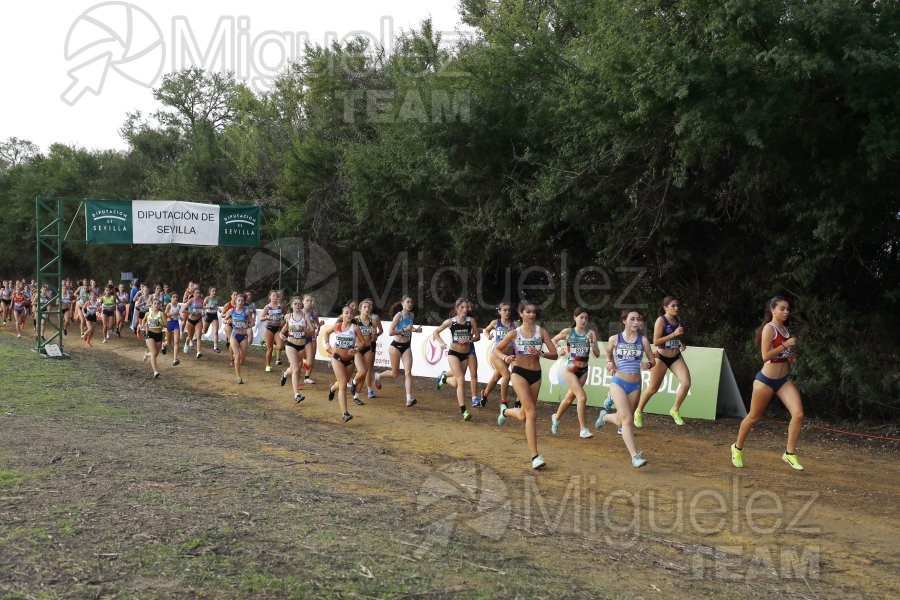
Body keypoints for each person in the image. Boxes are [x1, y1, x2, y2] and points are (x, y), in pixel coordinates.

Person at [731, 296, 805, 471]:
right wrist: (785, 346)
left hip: (783, 380)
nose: (786, 311)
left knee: (798, 414)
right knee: (754, 417)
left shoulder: (785, 330)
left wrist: (790, 356)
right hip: (765, 380)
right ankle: (737, 447)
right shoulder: (769, 329)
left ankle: (789, 453)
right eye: (782, 308)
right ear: (772, 310)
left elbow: (783, 356)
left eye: (788, 309)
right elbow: (765, 356)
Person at [495, 301, 558, 469]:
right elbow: (496, 349)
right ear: (521, 314)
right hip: (519, 373)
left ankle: (506, 411)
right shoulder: (514, 333)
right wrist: (505, 358)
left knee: (524, 415)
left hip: (536, 375)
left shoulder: (541, 332)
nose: (531, 315)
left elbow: (555, 354)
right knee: (532, 413)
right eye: (528, 312)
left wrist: (541, 353)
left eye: (533, 312)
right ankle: (535, 456)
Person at [594, 310, 655, 468]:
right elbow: (608, 352)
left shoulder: (643, 341)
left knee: (621, 421)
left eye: (639, 319)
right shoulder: (614, 339)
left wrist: (648, 364)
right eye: (632, 319)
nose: (636, 322)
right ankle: (635, 456)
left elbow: (652, 360)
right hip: (618, 382)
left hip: (635, 385)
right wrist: (610, 362)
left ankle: (605, 417)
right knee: (628, 420)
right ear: (624, 321)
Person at [634, 297, 692, 427]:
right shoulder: (661, 320)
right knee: (653, 388)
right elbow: (656, 341)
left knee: (686, 383)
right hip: (661, 357)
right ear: (666, 307)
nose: (677, 308)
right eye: (673, 306)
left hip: (676, 357)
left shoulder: (678, 320)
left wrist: (681, 342)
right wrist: (674, 335)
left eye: (678, 305)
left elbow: (676, 336)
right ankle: (638, 411)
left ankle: (675, 409)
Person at [550, 307, 601, 439]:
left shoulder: (591, 333)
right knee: (582, 397)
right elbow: (553, 340)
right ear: (575, 318)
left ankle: (556, 418)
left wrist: (593, 342)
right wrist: (559, 348)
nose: (584, 320)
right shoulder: (568, 332)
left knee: (568, 400)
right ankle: (583, 429)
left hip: (583, 370)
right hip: (570, 368)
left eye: (586, 318)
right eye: (581, 317)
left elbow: (597, 354)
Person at [433, 298, 481, 421]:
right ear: (457, 309)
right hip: (453, 353)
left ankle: (444, 377)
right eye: (462, 307)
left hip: (465, 355)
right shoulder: (450, 322)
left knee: (456, 382)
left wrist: (469, 340)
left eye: (466, 307)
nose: (465, 310)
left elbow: (477, 337)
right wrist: (441, 342)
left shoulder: (471, 321)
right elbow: (436, 332)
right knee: (461, 379)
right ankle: (464, 410)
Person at [375, 296, 423, 407]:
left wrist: (416, 330)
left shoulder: (411, 315)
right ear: (402, 304)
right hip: (395, 347)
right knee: (394, 373)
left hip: (406, 346)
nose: (410, 304)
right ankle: (378, 376)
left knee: (408, 372)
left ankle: (409, 399)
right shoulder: (398, 316)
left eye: (411, 302)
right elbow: (390, 332)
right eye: (408, 302)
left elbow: (409, 328)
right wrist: (404, 330)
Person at [323, 305, 366, 423]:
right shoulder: (337, 326)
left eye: (351, 313)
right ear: (342, 315)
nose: (349, 315)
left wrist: (356, 350)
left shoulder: (355, 328)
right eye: (346, 313)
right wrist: (327, 344)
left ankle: (332, 388)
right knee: (343, 386)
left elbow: (363, 343)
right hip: (337, 358)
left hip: (350, 360)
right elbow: (326, 333)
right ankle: (345, 413)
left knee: (342, 383)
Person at [480, 302, 519, 409]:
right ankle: (503, 402)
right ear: (499, 312)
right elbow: (486, 330)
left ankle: (485, 394)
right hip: (497, 355)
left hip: (510, 356)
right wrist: (488, 336)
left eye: (509, 310)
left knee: (496, 378)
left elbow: (521, 335)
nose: (507, 312)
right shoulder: (495, 322)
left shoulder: (515, 324)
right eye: (504, 310)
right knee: (507, 375)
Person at [278, 296, 308, 403]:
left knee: (295, 367)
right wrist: (281, 334)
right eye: (295, 304)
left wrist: (304, 329)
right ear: (291, 306)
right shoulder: (288, 316)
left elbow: (312, 332)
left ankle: (285, 374)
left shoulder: (305, 316)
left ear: (302, 305)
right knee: (296, 368)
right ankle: (297, 395)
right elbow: (285, 327)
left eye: (299, 304)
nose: (297, 306)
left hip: (302, 346)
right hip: (290, 344)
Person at [350, 298, 378, 405]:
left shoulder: (373, 321)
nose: (367, 309)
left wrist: (374, 334)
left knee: (365, 373)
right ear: (360, 309)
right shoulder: (356, 320)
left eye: (369, 307)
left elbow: (374, 339)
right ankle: (354, 381)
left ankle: (356, 396)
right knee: (361, 371)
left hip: (368, 348)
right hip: (357, 349)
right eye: (365, 307)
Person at [223, 293, 255, 384]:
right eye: (239, 300)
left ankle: (239, 361)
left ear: (244, 302)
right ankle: (238, 377)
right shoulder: (231, 311)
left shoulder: (246, 311)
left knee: (243, 358)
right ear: (236, 301)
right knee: (237, 355)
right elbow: (224, 320)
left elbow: (253, 323)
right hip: (234, 335)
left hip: (244, 336)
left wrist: (248, 325)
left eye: (242, 301)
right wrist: (227, 320)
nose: (240, 302)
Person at [140, 298, 166, 379]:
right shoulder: (148, 314)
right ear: (151, 305)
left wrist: (160, 323)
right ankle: (155, 371)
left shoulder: (161, 314)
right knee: (154, 353)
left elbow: (166, 325)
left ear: (159, 305)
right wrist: (142, 325)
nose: (156, 305)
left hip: (159, 335)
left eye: (158, 304)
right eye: (154, 303)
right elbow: (143, 321)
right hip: (150, 334)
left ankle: (147, 354)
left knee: (155, 354)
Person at [259, 290, 285, 373]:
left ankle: (275, 347)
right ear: (270, 297)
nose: (275, 297)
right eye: (273, 296)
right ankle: (268, 365)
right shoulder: (267, 307)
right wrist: (266, 317)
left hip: (277, 329)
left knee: (280, 346)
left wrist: (283, 322)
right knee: (269, 349)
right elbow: (261, 318)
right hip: (269, 329)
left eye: (276, 296)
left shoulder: (281, 306)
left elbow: (287, 316)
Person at [301, 294, 323, 384]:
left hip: (312, 338)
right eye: (307, 301)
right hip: (300, 339)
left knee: (311, 360)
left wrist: (318, 330)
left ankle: (307, 377)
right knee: (302, 358)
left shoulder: (314, 313)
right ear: (303, 302)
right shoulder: (299, 312)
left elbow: (317, 325)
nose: (309, 303)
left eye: (311, 301)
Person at [182, 288, 205, 359]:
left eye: (199, 293)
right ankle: (186, 343)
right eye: (196, 293)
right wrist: (192, 312)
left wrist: (203, 312)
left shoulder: (201, 301)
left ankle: (198, 352)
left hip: (198, 320)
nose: (198, 294)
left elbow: (203, 309)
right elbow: (183, 310)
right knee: (190, 337)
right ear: (193, 294)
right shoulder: (191, 301)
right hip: (190, 320)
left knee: (198, 336)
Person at [202, 287, 222, 354]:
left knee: (216, 332)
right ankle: (195, 335)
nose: (214, 292)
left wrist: (218, 309)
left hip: (214, 316)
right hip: (208, 315)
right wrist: (209, 307)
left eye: (215, 291)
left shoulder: (217, 298)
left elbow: (216, 305)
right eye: (213, 291)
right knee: (204, 331)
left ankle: (215, 347)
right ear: (210, 292)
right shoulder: (207, 298)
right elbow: (203, 306)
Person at [164, 293, 182, 366]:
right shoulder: (169, 305)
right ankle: (163, 345)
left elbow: (177, 314)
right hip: (169, 323)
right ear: (171, 298)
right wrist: (174, 313)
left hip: (176, 323)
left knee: (176, 341)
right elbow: (164, 314)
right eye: (174, 297)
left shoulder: (179, 306)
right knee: (168, 343)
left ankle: (175, 359)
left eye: (176, 297)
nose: (175, 298)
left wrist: (180, 317)